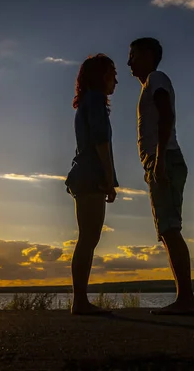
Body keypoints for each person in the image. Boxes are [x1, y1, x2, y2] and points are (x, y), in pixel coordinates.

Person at [127, 37, 194, 315]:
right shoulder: (150, 84)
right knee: (168, 230)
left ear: (147, 55)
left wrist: (157, 161)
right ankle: (185, 297)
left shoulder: (156, 78)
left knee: (170, 228)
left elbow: (166, 115)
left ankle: (186, 299)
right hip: (160, 159)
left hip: (164, 159)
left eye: (132, 55)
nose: (129, 62)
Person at [65, 54, 118, 315]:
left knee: (88, 237)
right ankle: (80, 301)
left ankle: (80, 300)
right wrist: (109, 179)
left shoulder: (87, 102)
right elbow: (100, 142)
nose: (116, 81)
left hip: (82, 176)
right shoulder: (95, 100)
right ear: (99, 76)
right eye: (111, 74)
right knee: (88, 238)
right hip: (90, 177)